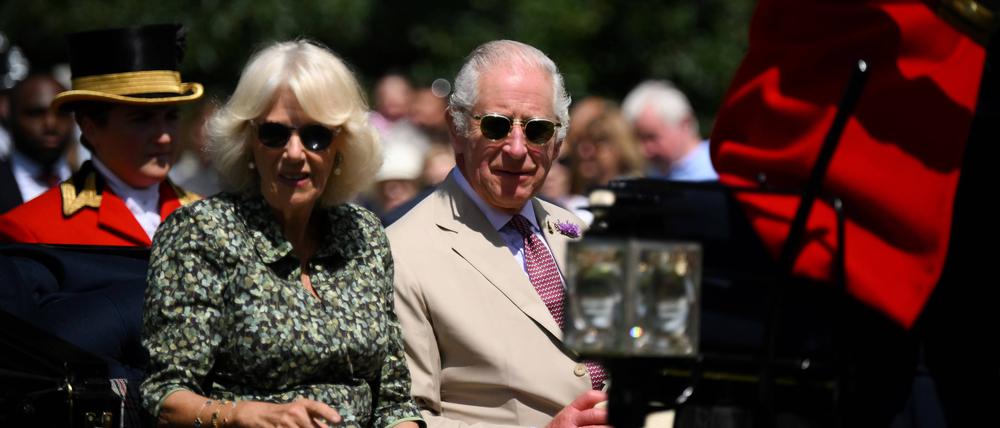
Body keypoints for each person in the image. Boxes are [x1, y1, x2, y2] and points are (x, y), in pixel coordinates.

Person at [141, 40, 423, 428]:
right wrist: (245, 414)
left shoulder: (364, 233)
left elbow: (393, 401)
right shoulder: (202, 232)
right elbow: (165, 395)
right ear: (248, 142)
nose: (294, 152)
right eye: (274, 134)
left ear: (342, 146)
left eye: (316, 135)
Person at [389, 39, 609, 427]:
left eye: (538, 130)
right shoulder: (401, 253)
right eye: (496, 126)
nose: (517, 148)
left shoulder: (577, 230)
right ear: (456, 130)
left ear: (558, 143)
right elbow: (404, 416)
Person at [0, 24, 202, 246]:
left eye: (171, 116)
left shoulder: (206, 218)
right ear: (91, 128)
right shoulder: (32, 229)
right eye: (141, 119)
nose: (164, 137)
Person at [0, 74, 75, 214]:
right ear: (9, 116)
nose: (51, 124)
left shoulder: (97, 186)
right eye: (36, 113)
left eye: (61, 113)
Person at [622, 80, 717, 181]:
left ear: (685, 124)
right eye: (638, 139)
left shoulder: (719, 170)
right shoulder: (648, 175)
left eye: (651, 137)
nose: (644, 150)